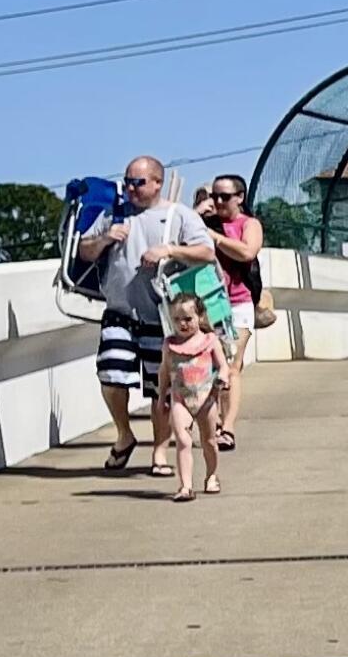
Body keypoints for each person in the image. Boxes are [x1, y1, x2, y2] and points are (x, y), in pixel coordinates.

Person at [78, 156, 221, 472]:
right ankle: (124, 434)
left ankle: (159, 451)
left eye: (138, 182)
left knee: (163, 388)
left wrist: (169, 250)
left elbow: (206, 252)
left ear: (157, 182)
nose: (130, 188)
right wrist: (104, 239)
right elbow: (83, 250)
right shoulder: (113, 214)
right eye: (128, 181)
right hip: (119, 311)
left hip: (162, 315)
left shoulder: (178, 215)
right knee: (111, 376)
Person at [200, 175, 266, 452]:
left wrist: (215, 237)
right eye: (214, 196)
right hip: (207, 304)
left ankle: (227, 427)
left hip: (238, 302)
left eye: (225, 197)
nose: (218, 202)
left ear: (240, 197)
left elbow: (247, 251)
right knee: (210, 368)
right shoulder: (204, 223)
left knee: (231, 364)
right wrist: (196, 216)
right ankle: (212, 422)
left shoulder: (248, 224)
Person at [156, 295, 225, 502]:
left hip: (206, 399)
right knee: (183, 441)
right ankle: (185, 486)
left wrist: (222, 378)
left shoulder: (209, 341)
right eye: (177, 320)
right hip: (180, 399)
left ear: (200, 317)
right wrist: (161, 397)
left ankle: (211, 475)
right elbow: (164, 371)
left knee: (209, 441)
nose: (182, 324)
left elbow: (223, 366)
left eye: (187, 319)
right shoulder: (170, 344)